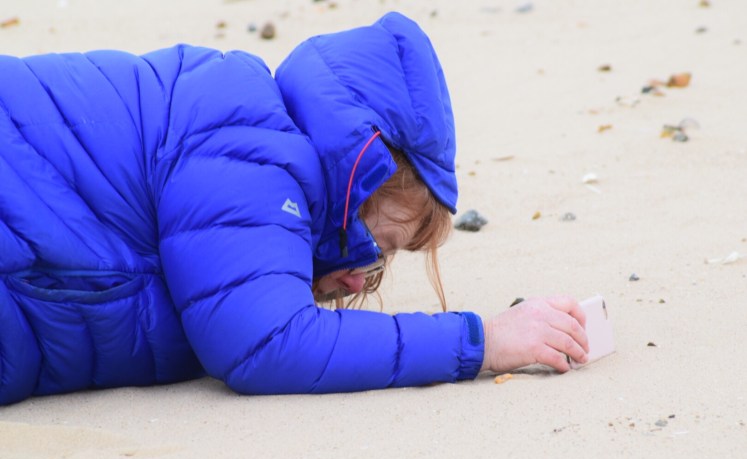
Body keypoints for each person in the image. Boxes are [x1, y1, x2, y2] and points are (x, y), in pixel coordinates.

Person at [0, 12, 588, 405]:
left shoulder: (260, 142)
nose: (357, 279)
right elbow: (267, 342)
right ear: (361, 173)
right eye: (373, 246)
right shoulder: (248, 136)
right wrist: (481, 342)